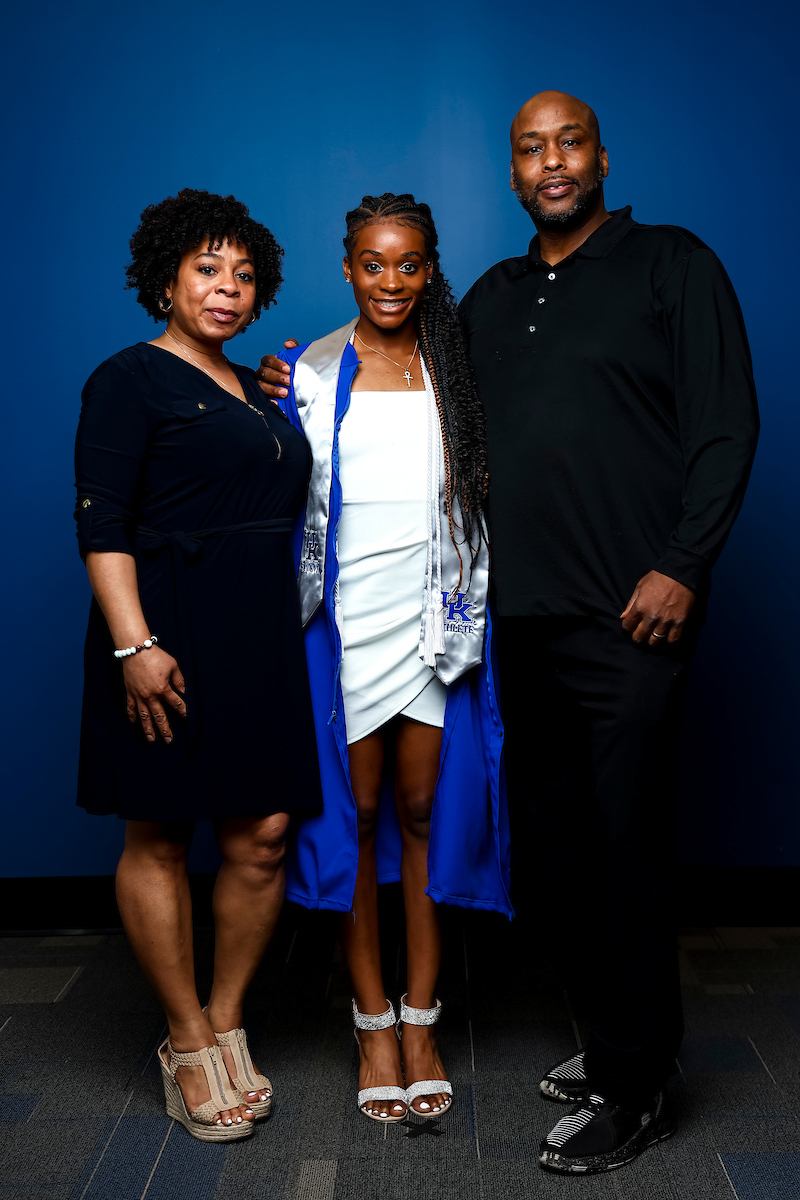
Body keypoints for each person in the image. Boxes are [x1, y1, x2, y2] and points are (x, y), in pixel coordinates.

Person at [258, 97, 759, 1171]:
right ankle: (622, 1044)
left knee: (625, 844)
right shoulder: (485, 297)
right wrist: (285, 380)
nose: (549, 162)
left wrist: (681, 564)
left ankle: (633, 1085)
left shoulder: (672, 265)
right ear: (512, 168)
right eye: (528, 147)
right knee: (560, 850)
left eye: (566, 142)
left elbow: (726, 425)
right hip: (506, 630)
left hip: (631, 615)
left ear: (599, 155)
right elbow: (389, 386)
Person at [74, 188, 321, 1142]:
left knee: (261, 833)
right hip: (164, 630)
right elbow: (103, 520)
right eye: (207, 269)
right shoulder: (128, 378)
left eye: (245, 274)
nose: (227, 288)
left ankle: (225, 1018)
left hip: (258, 632)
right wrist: (135, 645)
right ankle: (184, 1039)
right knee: (164, 836)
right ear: (166, 276)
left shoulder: (252, 388)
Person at [266, 193, 510, 1123]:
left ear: (430, 268)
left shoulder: (458, 364)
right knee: (356, 818)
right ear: (348, 268)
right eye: (374, 263)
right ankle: (371, 1022)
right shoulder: (311, 370)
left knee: (421, 813)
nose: (392, 281)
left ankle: (422, 1019)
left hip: (436, 614)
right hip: (346, 619)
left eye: (410, 264)